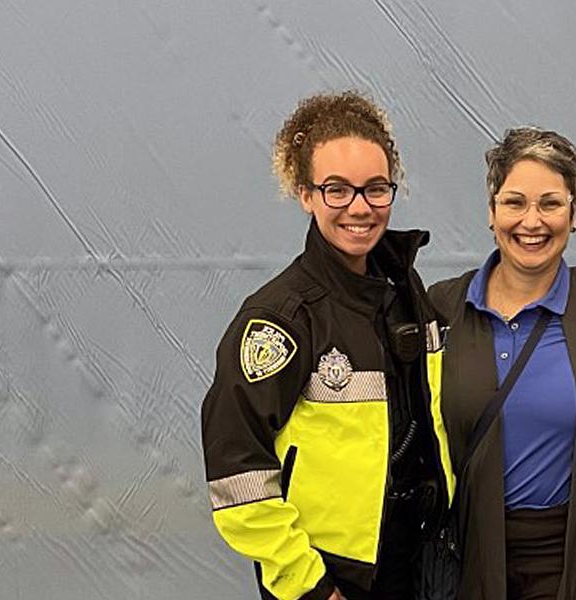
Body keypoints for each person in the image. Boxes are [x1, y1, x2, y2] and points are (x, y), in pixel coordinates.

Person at [201, 91, 453, 600]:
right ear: (305, 193)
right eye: (337, 190)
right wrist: (311, 586)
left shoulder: (407, 292)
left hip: (417, 564)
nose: (359, 208)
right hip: (334, 581)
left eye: (375, 189)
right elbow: (237, 474)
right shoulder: (281, 319)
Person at [427, 127, 576, 599]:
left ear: (573, 214)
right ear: (491, 211)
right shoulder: (441, 310)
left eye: (550, 203)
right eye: (515, 202)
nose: (531, 221)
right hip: (472, 555)